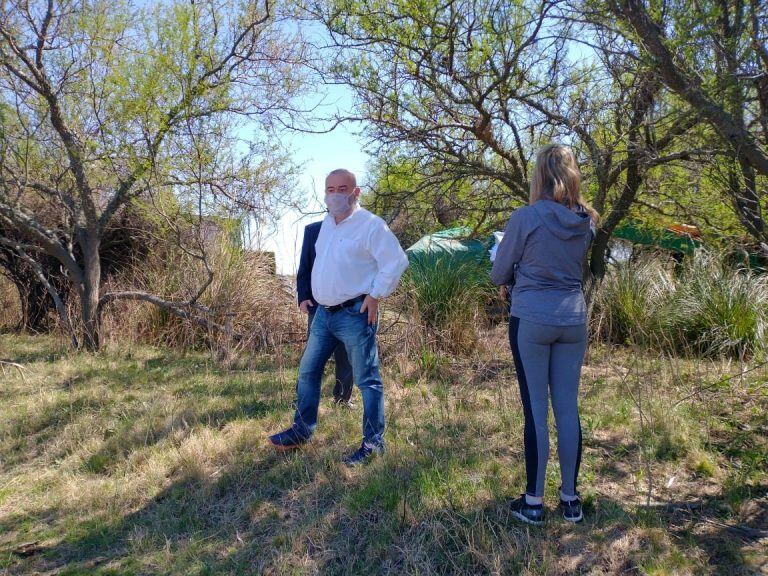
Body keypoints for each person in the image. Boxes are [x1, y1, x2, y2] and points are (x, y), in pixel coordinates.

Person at [268, 169, 409, 466]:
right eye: (330, 188)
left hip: (354, 314)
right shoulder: (327, 226)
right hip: (323, 314)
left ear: (355, 192)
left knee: (367, 380)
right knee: (308, 372)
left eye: (342, 188)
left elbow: (396, 261)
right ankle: (302, 431)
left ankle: (373, 444)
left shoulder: (370, 225)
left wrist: (374, 296)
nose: (335, 194)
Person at [491, 144, 599, 525]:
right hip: (573, 318)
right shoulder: (587, 220)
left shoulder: (526, 217)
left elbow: (499, 271)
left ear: (539, 174)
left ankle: (533, 502)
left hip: (532, 319)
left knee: (536, 409)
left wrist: (505, 270)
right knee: (567, 408)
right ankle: (571, 500)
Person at [296, 220, 354, 406]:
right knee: (312, 358)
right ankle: (302, 399)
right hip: (318, 306)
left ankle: (342, 399)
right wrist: (303, 296)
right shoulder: (313, 230)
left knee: (346, 355)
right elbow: (304, 267)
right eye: (332, 192)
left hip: (349, 306)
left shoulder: (359, 229)